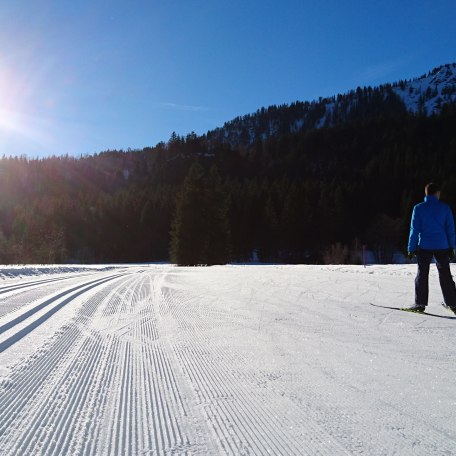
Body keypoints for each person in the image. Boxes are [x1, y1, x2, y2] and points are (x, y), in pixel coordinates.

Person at [407, 183, 456, 313]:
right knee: (445, 274)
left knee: (422, 274)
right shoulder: (445, 208)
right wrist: (452, 247)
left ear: (426, 193)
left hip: (424, 246)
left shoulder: (418, 208)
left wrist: (411, 248)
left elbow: (414, 230)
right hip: (442, 246)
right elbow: (450, 230)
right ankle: (453, 303)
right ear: (437, 193)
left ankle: (420, 304)